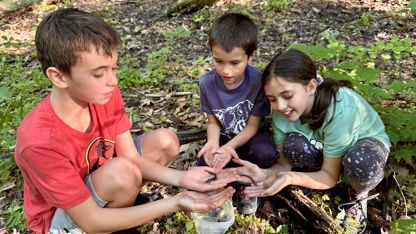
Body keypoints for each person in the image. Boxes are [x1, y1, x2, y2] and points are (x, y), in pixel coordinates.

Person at [14, 8, 238, 234]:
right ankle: (118, 221)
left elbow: (130, 156)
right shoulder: (39, 142)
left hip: (103, 179)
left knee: (165, 141)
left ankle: (122, 206)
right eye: (99, 73)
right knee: (122, 173)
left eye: (113, 68)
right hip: (67, 217)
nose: (113, 80)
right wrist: (176, 201)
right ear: (59, 76)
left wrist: (184, 178)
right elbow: (91, 221)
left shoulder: (103, 94)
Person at [234, 48, 390, 232]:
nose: (280, 106)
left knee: (361, 162)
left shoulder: (339, 110)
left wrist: (291, 178)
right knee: (293, 146)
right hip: (324, 145)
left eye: (287, 96)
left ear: (311, 86)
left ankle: (358, 193)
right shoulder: (281, 113)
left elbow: (330, 178)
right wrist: (264, 173)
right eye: (272, 99)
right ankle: (313, 171)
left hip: (362, 146)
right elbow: (283, 164)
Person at [196, 13, 280, 215]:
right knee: (203, 162)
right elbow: (213, 121)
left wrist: (228, 149)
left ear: (251, 57)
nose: (226, 71)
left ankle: (247, 186)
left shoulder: (257, 82)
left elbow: (252, 127)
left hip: (251, 138)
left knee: (266, 152)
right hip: (225, 136)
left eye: (235, 63)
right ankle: (221, 187)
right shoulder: (207, 83)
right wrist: (213, 143)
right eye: (219, 61)